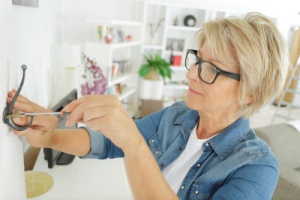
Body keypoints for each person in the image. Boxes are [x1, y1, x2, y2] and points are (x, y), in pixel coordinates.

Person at [7, 12, 289, 199]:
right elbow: (107, 143)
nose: (191, 73)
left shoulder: (258, 168)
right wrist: (50, 135)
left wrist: (134, 143)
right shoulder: (179, 115)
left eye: (211, 69)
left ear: (250, 93)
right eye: (197, 60)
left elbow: (128, 141)